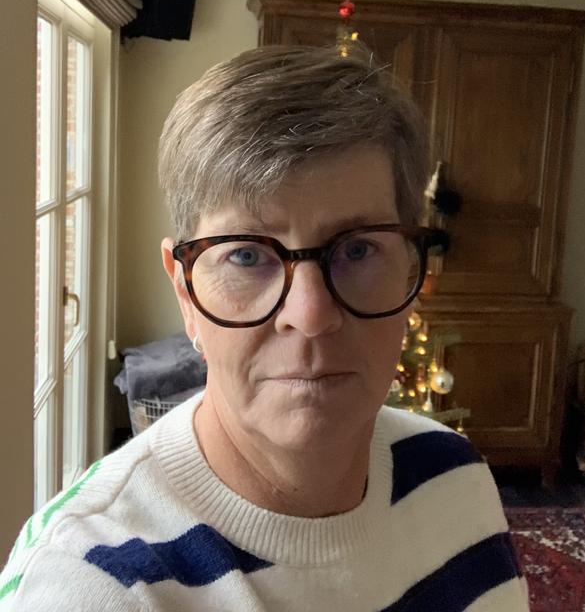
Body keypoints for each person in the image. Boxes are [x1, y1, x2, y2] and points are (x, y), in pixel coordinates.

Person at [0, 45, 529, 611]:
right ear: (185, 290)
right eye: (247, 256)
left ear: (409, 267)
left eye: (357, 249)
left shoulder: (455, 473)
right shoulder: (90, 583)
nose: (311, 315)